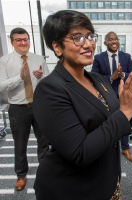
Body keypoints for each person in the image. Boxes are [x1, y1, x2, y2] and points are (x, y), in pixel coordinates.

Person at [33, 10, 132, 200]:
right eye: (77, 37)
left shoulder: (98, 79)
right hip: (75, 188)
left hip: (107, 179)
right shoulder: (50, 88)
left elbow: (118, 124)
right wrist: (125, 110)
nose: (88, 43)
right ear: (57, 47)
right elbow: (80, 153)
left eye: (90, 36)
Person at [0, 28, 50, 191]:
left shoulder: (39, 59)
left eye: (25, 39)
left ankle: (45, 171)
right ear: (12, 42)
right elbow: (1, 86)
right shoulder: (4, 61)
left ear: (29, 40)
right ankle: (21, 175)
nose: (23, 42)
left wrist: (40, 76)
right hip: (18, 108)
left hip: (39, 106)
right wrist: (19, 77)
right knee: (20, 144)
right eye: (19, 39)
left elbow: (49, 82)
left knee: (44, 141)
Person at [91, 32, 132, 162]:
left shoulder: (126, 57)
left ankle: (125, 148)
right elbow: (93, 77)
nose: (114, 41)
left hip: (123, 95)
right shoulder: (99, 58)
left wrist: (122, 75)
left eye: (116, 39)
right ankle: (108, 147)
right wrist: (111, 77)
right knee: (107, 122)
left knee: (124, 120)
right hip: (105, 96)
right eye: (110, 39)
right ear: (105, 43)